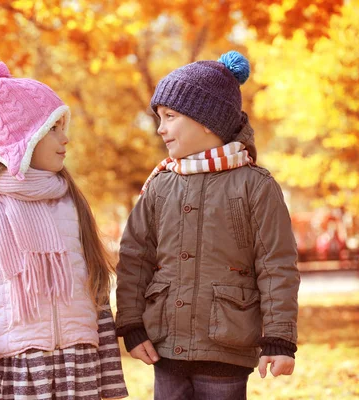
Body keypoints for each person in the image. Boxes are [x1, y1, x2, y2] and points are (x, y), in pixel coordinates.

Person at [114, 51, 300, 400]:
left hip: (225, 344)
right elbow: (134, 256)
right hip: (167, 346)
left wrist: (280, 338)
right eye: (159, 118)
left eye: (170, 116)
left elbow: (277, 265)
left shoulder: (254, 185)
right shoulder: (160, 185)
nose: (160, 128)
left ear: (206, 121)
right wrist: (131, 323)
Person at [0, 60, 128, 400]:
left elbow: (97, 291)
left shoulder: (72, 203)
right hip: (19, 376)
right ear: (23, 139)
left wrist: (112, 383)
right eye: (53, 128)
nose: (65, 137)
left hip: (81, 369)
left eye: (63, 126)